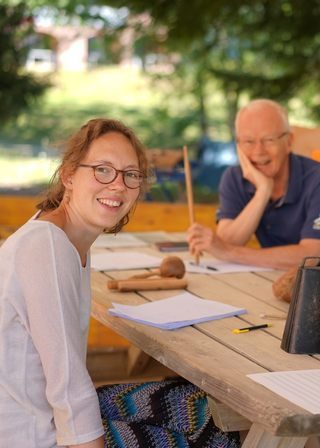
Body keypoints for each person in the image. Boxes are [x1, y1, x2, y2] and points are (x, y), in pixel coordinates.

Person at [0, 118, 240, 448]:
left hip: (41, 411)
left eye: (130, 174)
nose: (117, 185)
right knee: (215, 436)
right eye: (102, 169)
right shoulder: (46, 245)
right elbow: (67, 382)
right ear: (69, 175)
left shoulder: (67, 239)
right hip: (32, 433)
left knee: (204, 407)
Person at [187, 99, 320, 270]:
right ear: (238, 145)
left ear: (289, 142)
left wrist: (231, 253)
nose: (258, 151)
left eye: (269, 140)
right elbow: (227, 241)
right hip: (268, 279)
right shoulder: (235, 177)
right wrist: (263, 191)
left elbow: (312, 256)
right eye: (248, 142)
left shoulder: (316, 179)